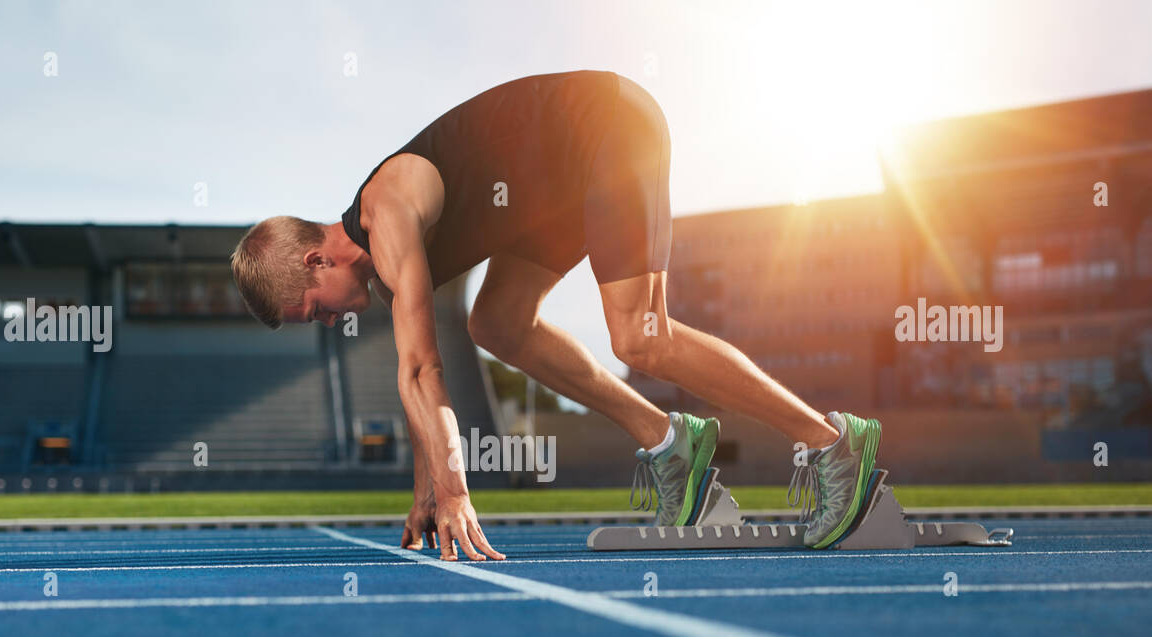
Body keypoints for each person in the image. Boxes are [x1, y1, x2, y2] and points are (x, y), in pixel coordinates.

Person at [231, 70, 881, 561]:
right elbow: (421, 371)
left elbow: (421, 368)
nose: (321, 323)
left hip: (605, 128)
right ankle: (669, 439)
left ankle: (832, 441)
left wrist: (455, 491)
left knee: (639, 336)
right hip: (548, 188)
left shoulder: (389, 213)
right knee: (496, 323)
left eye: (308, 311)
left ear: (316, 261)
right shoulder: (384, 246)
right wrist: (426, 490)